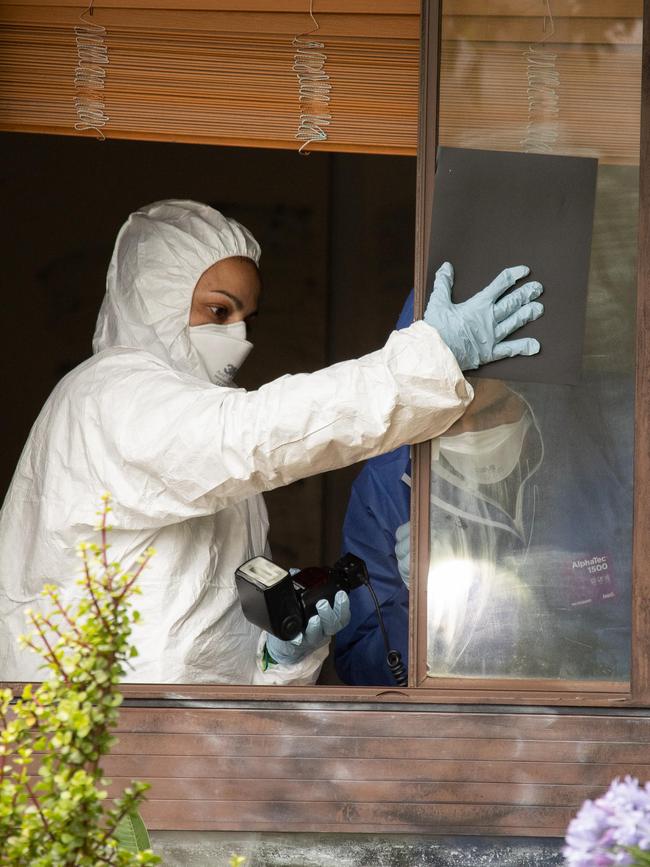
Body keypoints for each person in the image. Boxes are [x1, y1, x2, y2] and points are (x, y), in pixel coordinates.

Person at [0, 200, 544, 685]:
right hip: (103, 739)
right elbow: (258, 436)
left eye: (245, 316)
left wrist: (278, 660)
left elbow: (210, 638)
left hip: (193, 748)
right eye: (218, 311)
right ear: (155, 301)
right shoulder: (110, 396)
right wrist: (429, 362)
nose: (238, 335)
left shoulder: (210, 446)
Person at [335, 297, 633, 686]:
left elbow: (631, 622)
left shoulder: (595, 458)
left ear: (531, 394)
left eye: (493, 412)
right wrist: (422, 606)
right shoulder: (389, 487)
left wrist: (544, 600)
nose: (472, 434)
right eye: (450, 419)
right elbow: (361, 665)